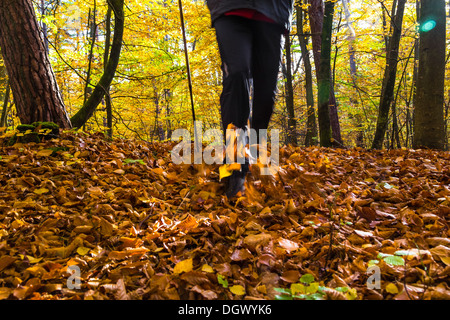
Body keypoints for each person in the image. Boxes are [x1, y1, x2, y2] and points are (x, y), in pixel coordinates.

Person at [206, 0, 294, 198]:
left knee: (266, 91)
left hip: (273, 11)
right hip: (229, 8)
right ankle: (235, 164)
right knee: (236, 75)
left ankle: (255, 150)